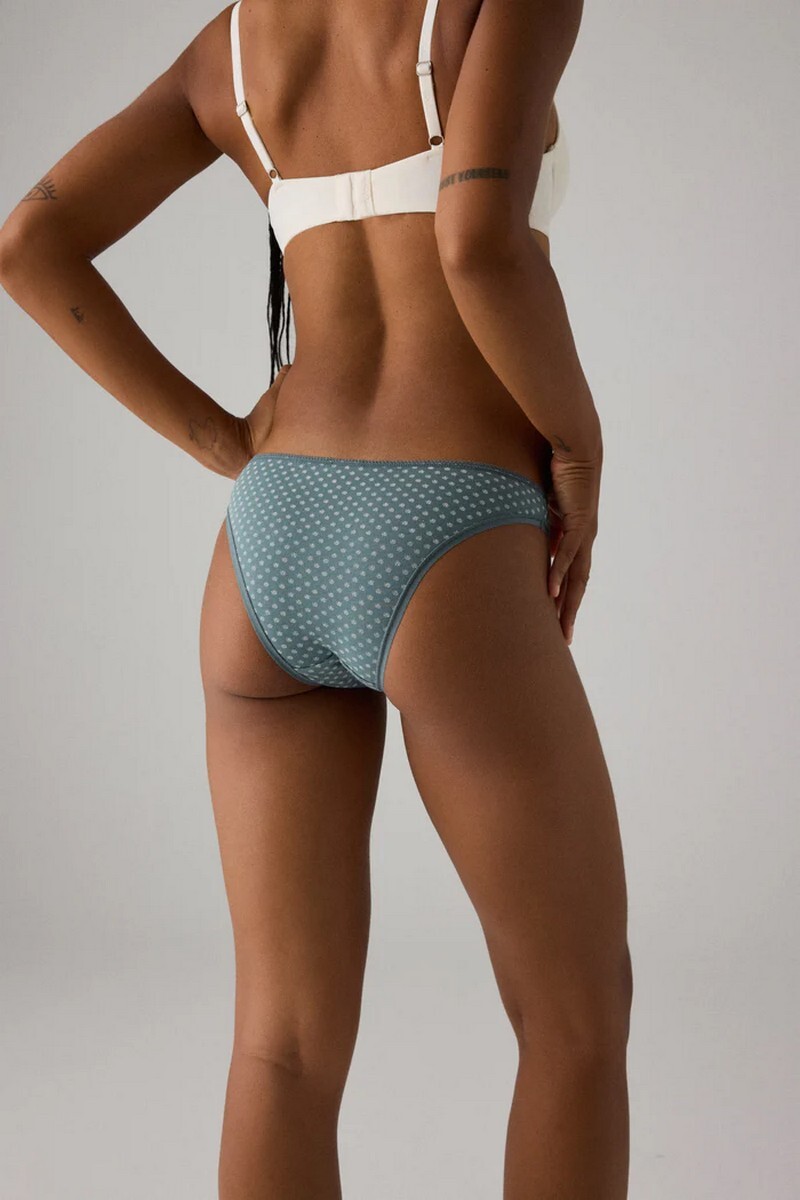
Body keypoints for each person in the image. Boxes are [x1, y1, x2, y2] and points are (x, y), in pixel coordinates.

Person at [0, 1, 632, 1197]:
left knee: (280, 1046)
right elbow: (474, 242)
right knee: (575, 1018)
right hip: (451, 529)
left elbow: (31, 242)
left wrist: (228, 444)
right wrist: (576, 445)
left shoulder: (237, 44)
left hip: (271, 538)